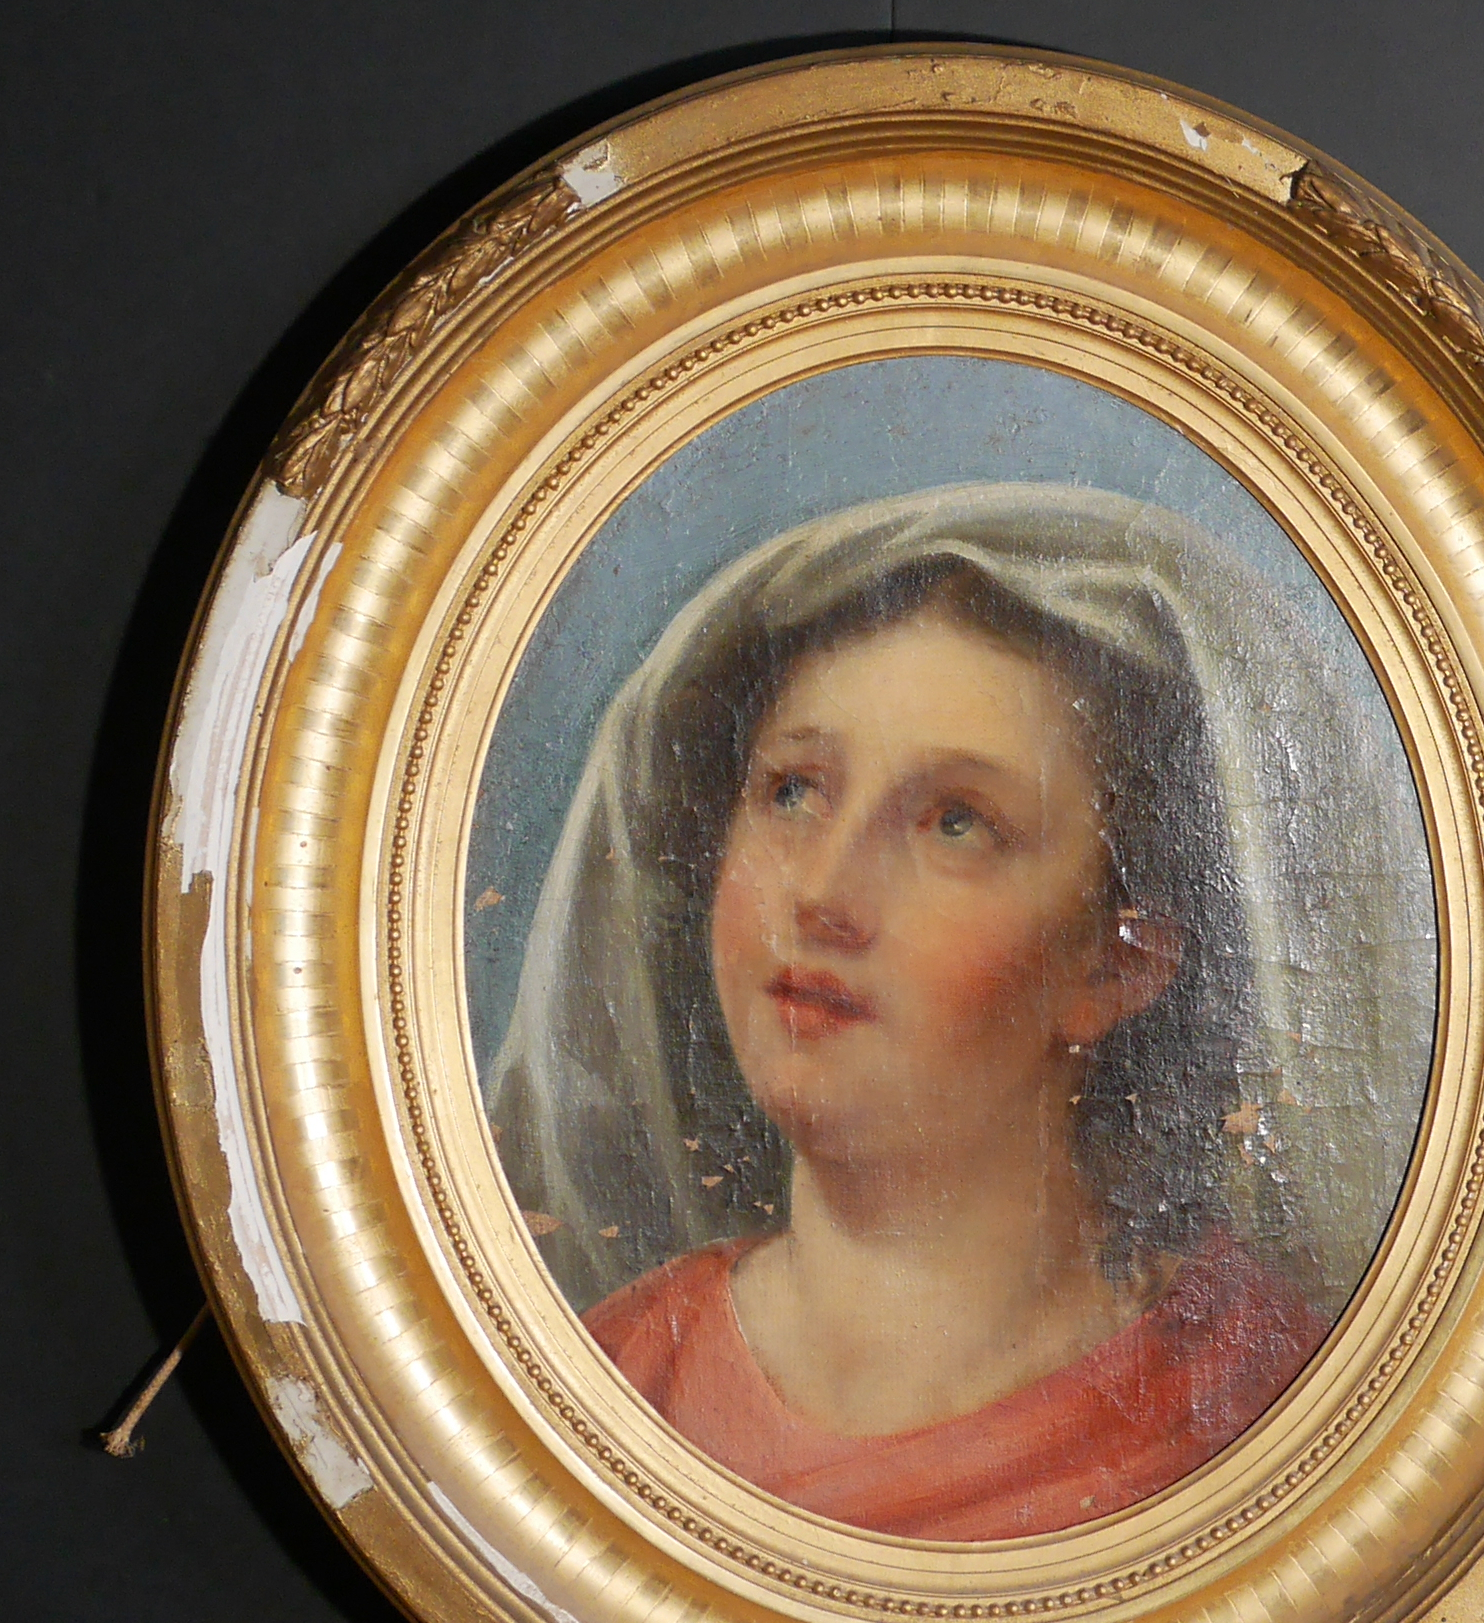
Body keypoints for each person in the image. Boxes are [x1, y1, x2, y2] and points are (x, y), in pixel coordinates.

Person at [488, 483, 1433, 1540]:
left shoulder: (1269, 1419)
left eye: (955, 822)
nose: (823, 893)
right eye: (793, 790)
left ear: (1118, 964)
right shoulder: (610, 1374)